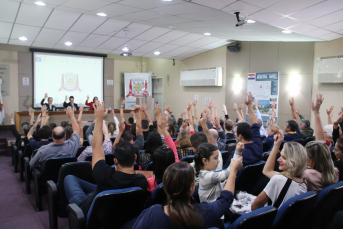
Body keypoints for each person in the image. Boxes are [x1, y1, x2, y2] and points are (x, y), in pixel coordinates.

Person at [64, 101, 147, 216]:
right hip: (118, 213)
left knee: (69, 178)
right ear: (135, 158)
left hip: (89, 212)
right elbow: (139, 133)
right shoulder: (141, 181)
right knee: (95, 188)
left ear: (115, 160)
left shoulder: (104, 175)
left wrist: (98, 119)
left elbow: (97, 146)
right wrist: (139, 113)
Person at [133, 158, 243, 229]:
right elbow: (226, 199)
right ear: (191, 188)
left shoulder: (153, 213)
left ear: (165, 188)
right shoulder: (203, 212)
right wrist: (233, 171)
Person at [251, 131, 307, 210]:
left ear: (294, 161)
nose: (278, 159)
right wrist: (277, 145)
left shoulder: (279, 180)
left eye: (284, 158)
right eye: (280, 155)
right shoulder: (303, 179)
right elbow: (267, 171)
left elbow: (254, 206)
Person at [303, 94, 338, 192]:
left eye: (307, 155)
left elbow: (269, 172)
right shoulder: (333, 173)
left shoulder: (308, 175)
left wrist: (316, 112)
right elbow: (322, 143)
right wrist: (316, 112)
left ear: (314, 159)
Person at [223, 92, 263, 169]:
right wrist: (249, 105)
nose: (234, 135)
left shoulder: (236, 155)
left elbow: (224, 173)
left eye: (236, 133)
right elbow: (255, 125)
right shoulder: (258, 147)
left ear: (240, 136)